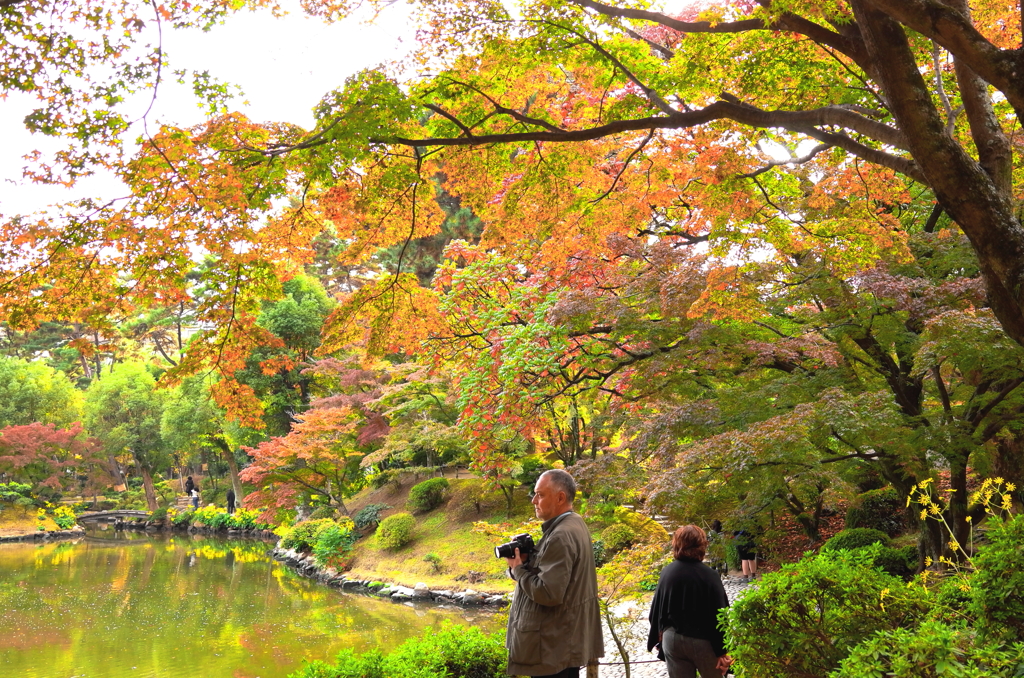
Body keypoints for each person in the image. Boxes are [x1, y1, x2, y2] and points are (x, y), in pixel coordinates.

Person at [503, 469, 603, 678]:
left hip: (551, 647)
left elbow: (549, 593)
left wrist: (518, 569)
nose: (534, 501)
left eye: (540, 495)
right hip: (562, 641)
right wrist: (527, 562)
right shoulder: (575, 523)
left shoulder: (560, 535)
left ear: (560, 498)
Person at [648, 525, 732, 678]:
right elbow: (720, 614)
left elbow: (656, 610)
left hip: (672, 639)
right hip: (704, 641)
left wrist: (659, 636)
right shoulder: (709, 575)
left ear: (676, 544)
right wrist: (722, 651)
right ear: (702, 545)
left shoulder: (667, 572)